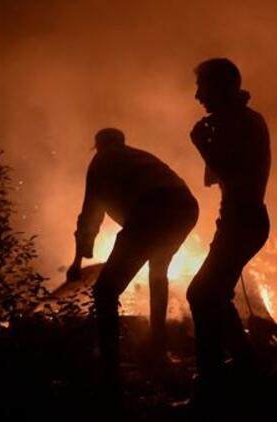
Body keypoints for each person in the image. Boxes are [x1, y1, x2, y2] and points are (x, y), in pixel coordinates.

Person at [67, 127, 198, 393]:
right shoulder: (139, 155)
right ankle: (158, 349)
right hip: (185, 208)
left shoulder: (100, 162)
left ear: (98, 145)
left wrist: (78, 260)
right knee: (158, 273)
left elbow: (90, 215)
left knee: (105, 291)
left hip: (150, 210)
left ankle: (109, 369)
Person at [186, 58, 271, 401]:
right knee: (215, 295)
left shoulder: (244, 123)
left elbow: (234, 178)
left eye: (203, 86)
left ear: (224, 86)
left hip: (244, 222)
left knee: (201, 294)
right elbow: (217, 179)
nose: (197, 95)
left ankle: (212, 387)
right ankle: (247, 369)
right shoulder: (235, 121)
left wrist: (202, 145)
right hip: (240, 222)